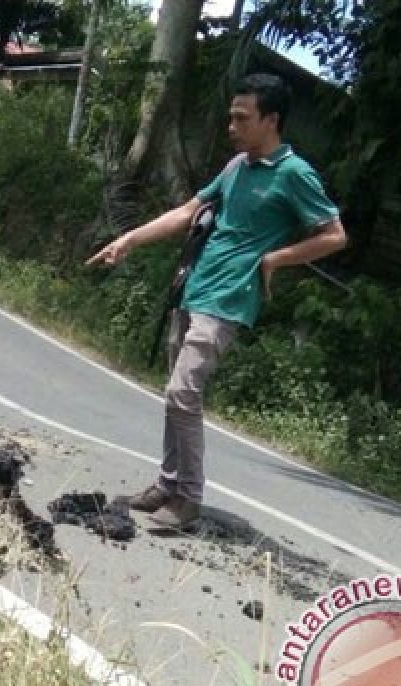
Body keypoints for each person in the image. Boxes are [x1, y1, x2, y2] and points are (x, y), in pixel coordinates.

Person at [86, 72, 348, 529]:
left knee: (182, 391)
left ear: (271, 120)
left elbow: (334, 235)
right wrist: (129, 239)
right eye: (231, 116)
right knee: (175, 396)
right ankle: (168, 483)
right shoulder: (235, 168)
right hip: (196, 287)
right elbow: (187, 211)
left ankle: (187, 498)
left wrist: (275, 259)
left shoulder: (294, 173)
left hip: (230, 298)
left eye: (241, 118)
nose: (231, 126)